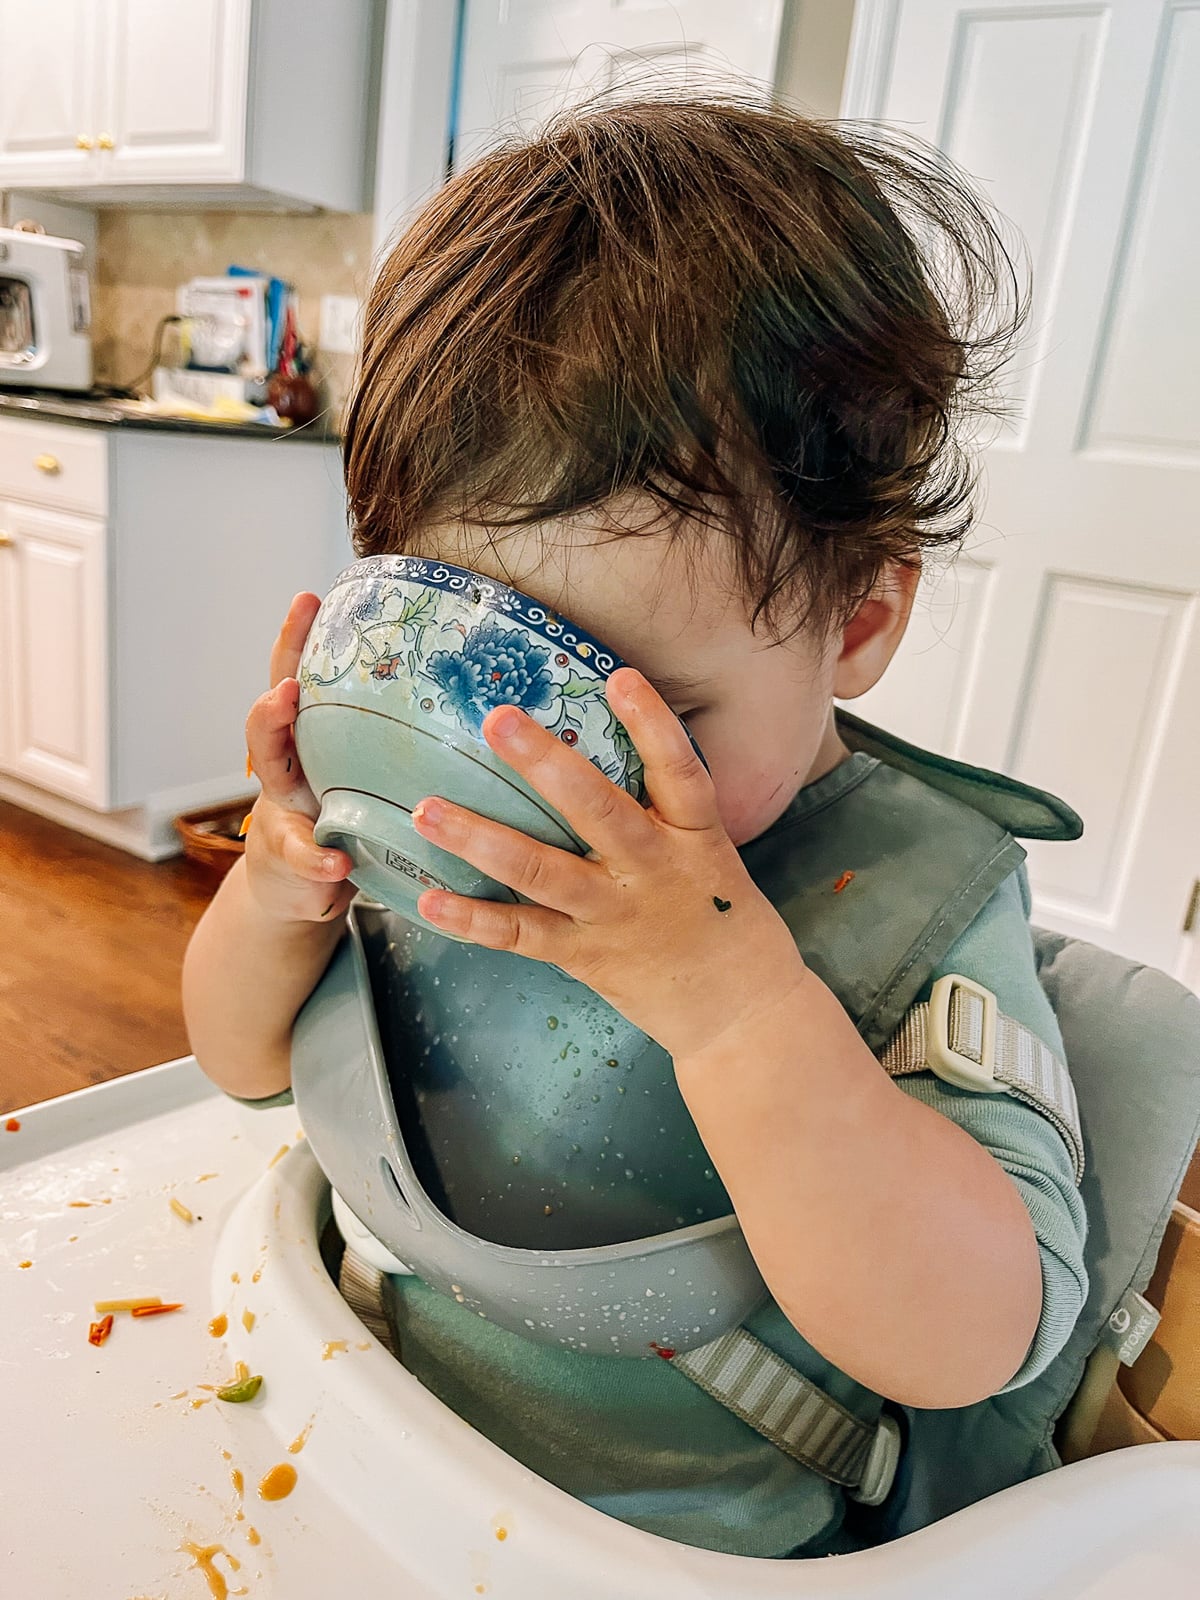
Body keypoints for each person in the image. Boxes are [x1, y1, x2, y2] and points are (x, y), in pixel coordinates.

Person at [182, 98, 1087, 1558]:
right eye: (469, 671)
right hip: (346, 1436)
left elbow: (977, 1338)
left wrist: (739, 1016)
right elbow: (239, 1065)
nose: (539, 781)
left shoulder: (914, 899)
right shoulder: (437, 800)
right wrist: (282, 891)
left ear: (857, 621)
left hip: (681, 1546)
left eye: (643, 715)